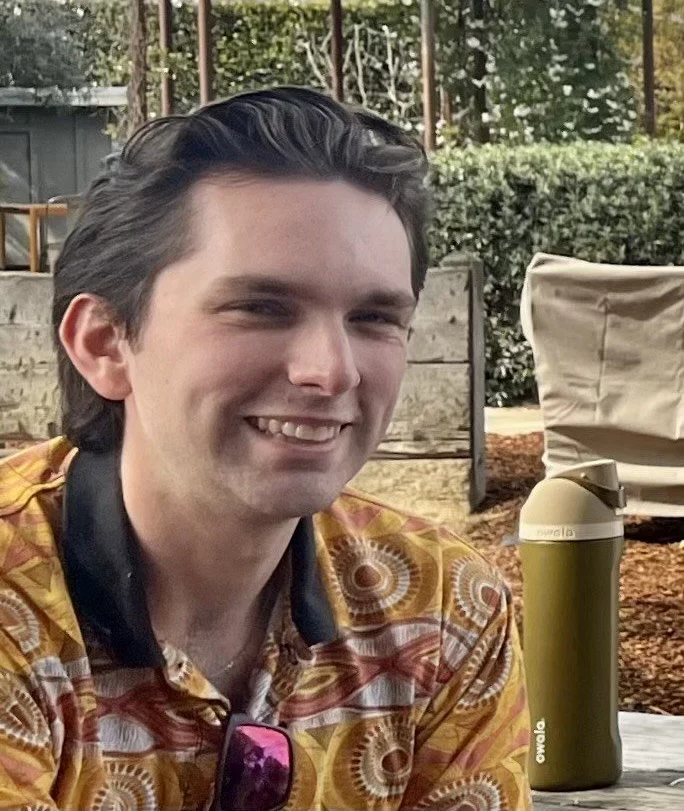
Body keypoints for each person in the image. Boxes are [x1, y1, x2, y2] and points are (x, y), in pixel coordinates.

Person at [0, 87, 531, 810]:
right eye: (260, 308)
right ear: (104, 343)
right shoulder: (17, 605)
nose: (332, 369)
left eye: (374, 317)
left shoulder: (443, 612)